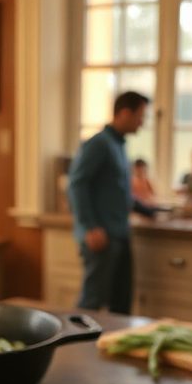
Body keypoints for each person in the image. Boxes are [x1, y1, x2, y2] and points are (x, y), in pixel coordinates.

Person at [67, 90, 149, 312]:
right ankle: (77, 346)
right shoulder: (98, 144)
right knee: (92, 303)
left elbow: (119, 190)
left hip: (120, 234)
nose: (142, 123)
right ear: (124, 113)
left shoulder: (119, 145)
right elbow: (76, 184)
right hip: (102, 237)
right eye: (140, 116)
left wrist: (149, 210)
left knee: (121, 304)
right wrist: (90, 226)